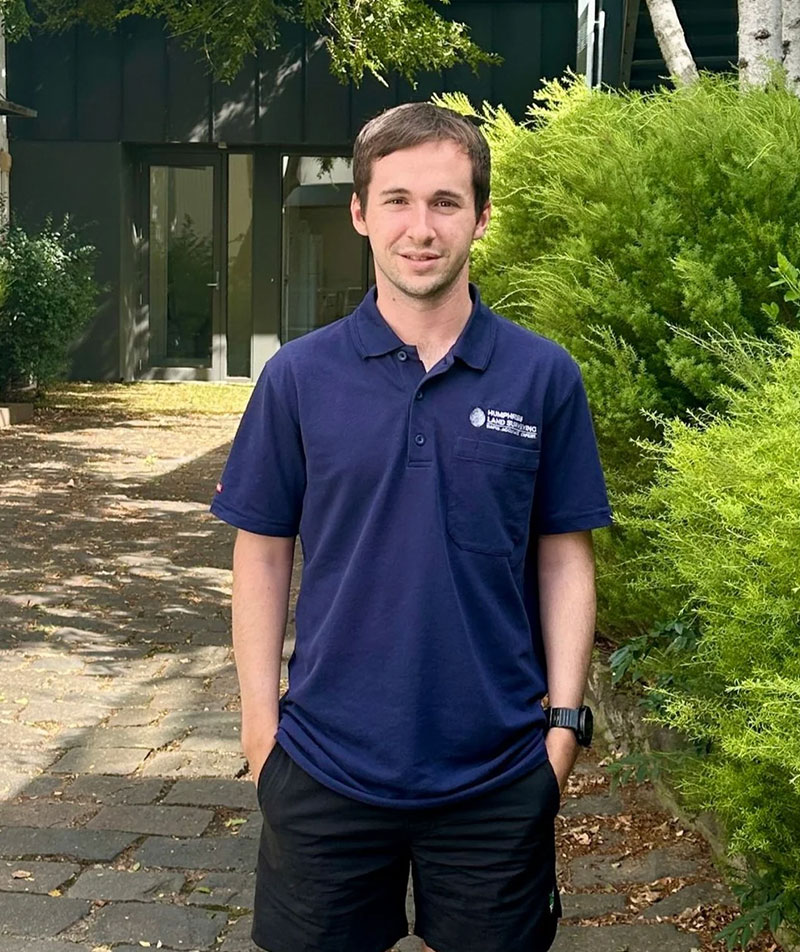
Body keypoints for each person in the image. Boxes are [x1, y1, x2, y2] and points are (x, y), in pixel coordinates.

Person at [210, 102, 612, 952]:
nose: (419, 228)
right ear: (359, 214)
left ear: (481, 216)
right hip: (324, 765)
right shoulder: (297, 378)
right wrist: (259, 734)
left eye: (445, 202)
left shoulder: (543, 377)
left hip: (499, 772)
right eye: (396, 200)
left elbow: (565, 556)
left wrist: (563, 728)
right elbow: (263, 554)